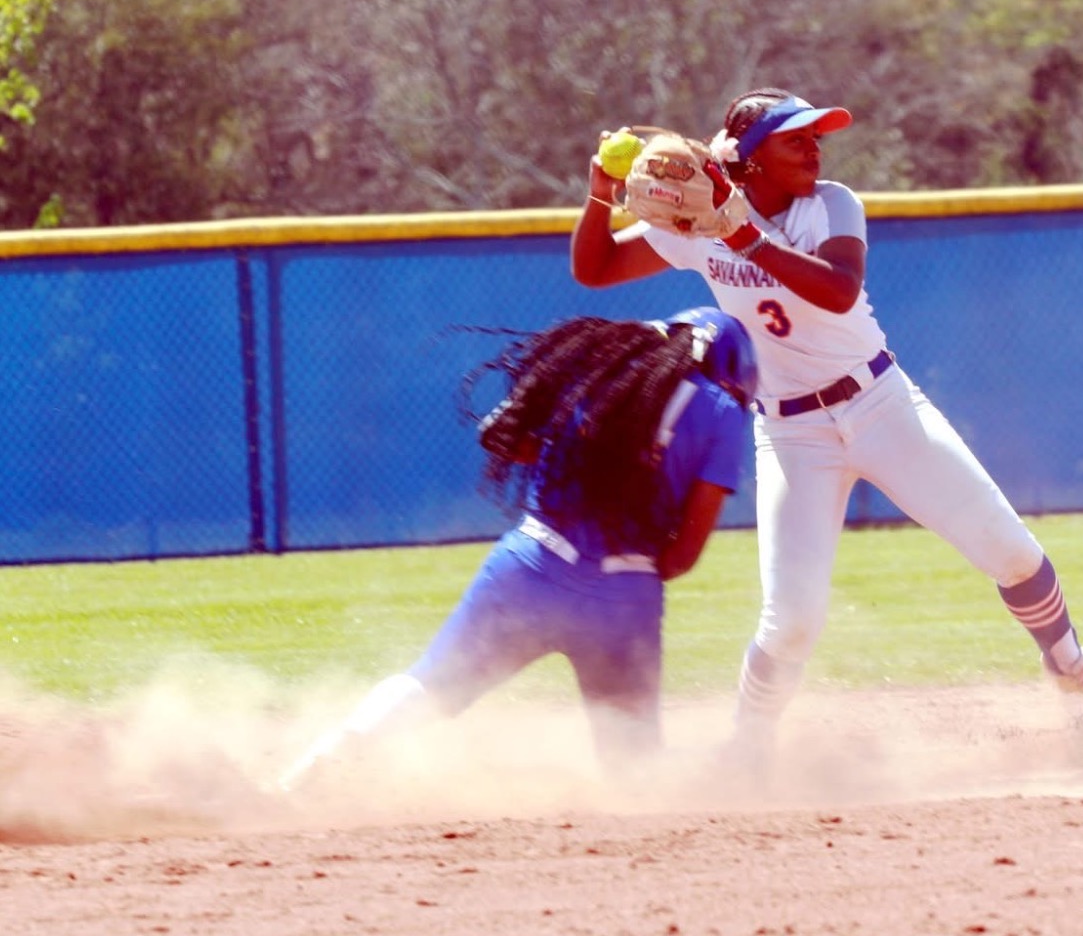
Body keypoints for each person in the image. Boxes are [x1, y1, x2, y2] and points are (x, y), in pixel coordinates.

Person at [571, 88, 1083, 773]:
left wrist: (742, 235)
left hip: (879, 404)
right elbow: (597, 268)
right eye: (796, 139)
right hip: (792, 436)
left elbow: (838, 288)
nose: (815, 149)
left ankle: (1072, 665)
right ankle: (748, 749)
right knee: (791, 622)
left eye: (817, 136)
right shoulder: (698, 218)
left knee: (1013, 554)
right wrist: (603, 195)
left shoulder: (831, 203)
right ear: (750, 159)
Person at [276, 307, 758, 792]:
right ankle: (741, 772)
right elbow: (681, 557)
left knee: (431, 686)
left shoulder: (595, 366)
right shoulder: (721, 413)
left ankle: (310, 772)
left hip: (530, 566)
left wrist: (575, 454)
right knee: (635, 773)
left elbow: (499, 434)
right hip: (624, 600)